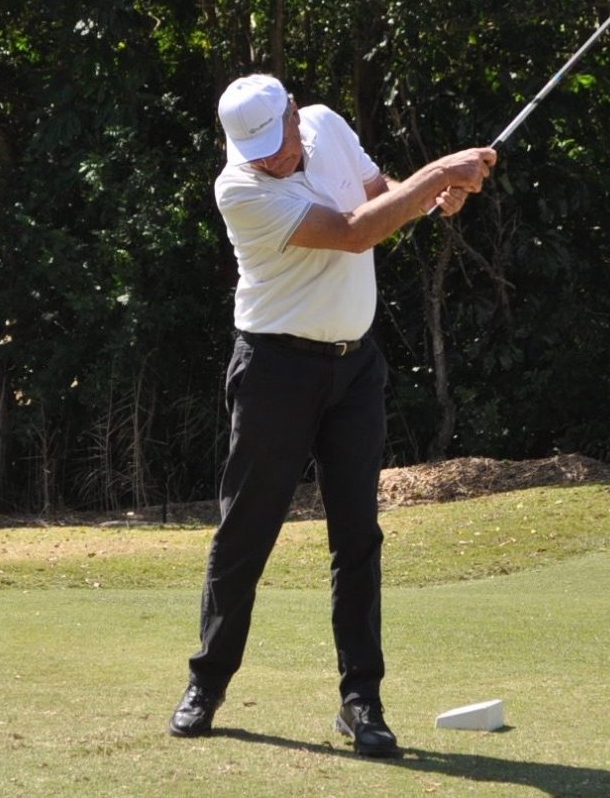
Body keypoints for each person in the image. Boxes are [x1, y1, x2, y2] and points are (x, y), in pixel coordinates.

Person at [169, 73, 497, 757]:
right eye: (257, 150)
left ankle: (361, 703)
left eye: (278, 140)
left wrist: (431, 197)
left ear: (295, 113)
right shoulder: (240, 189)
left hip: (355, 369)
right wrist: (440, 171)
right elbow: (353, 233)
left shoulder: (327, 124)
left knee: (357, 537)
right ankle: (208, 681)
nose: (272, 158)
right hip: (274, 371)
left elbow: (378, 199)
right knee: (246, 531)